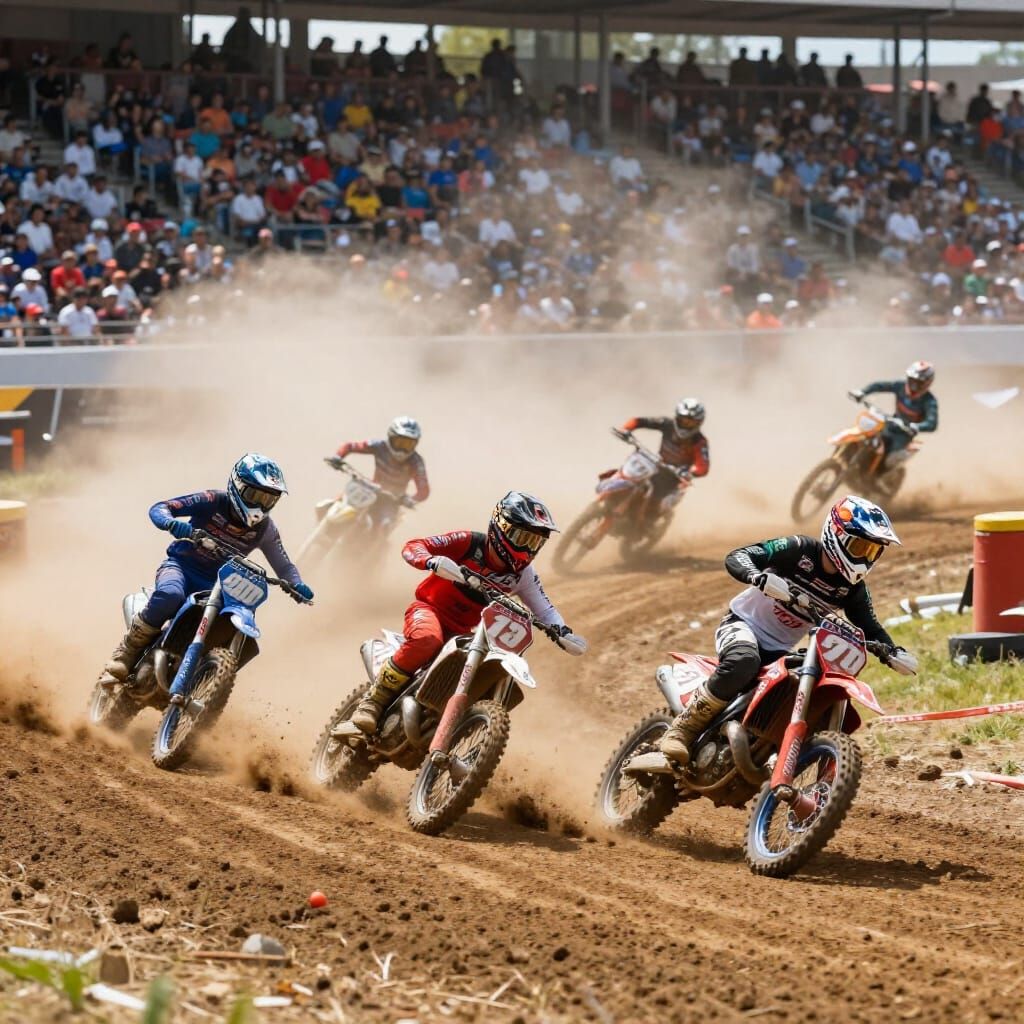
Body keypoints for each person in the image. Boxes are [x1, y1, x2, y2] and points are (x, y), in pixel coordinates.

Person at [660, 496, 906, 763]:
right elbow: (739, 556)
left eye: (872, 552)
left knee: (805, 683)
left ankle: (765, 749)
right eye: (860, 547)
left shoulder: (853, 590)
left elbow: (870, 626)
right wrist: (758, 576)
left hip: (779, 650)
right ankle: (681, 730)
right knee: (744, 660)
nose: (865, 557)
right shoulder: (799, 549)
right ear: (837, 534)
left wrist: (893, 651)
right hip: (743, 625)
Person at [349, 492, 586, 733]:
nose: (527, 548)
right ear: (501, 526)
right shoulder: (469, 543)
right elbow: (414, 546)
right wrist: (430, 561)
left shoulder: (524, 575)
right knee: (426, 641)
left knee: (480, 671)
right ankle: (373, 701)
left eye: (535, 542)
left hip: (464, 631)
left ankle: (456, 729)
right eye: (523, 537)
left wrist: (562, 631)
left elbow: (544, 608)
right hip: (430, 610)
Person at [99, 454, 313, 687]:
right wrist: (172, 523)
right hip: (181, 567)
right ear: (238, 486)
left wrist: (296, 583)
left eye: (269, 500)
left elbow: (283, 564)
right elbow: (162, 507)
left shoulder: (266, 529)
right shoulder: (212, 500)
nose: (261, 506)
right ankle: (127, 651)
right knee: (170, 595)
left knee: (231, 621)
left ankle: (204, 680)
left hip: (221, 585)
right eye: (256, 496)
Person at [618, 400, 710, 524]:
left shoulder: (699, 441)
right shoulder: (667, 424)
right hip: (656, 465)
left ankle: (644, 525)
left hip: (675, 476)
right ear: (677, 417)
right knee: (629, 477)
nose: (686, 424)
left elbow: (703, 465)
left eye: (691, 422)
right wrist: (626, 429)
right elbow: (639, 421)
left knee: (656, 501)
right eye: (683, 420)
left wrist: (691, 472)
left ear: (699, 423)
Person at [333, 416, 429, 530]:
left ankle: (374, 546)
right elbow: (350, 446)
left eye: (408, 444)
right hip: (370, 489)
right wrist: (337, 457)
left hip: (392, 500)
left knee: (384, 525)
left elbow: (424, 490)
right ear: (390, 437)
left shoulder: (416, 462)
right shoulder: (379, 446)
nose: (402, 449)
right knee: (338, 501)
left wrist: (411, 499)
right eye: (399, 442)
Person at [851, 360, 938, 471]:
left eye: (917, 383)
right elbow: (880, 386)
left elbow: (932, 423)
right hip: (890, 424)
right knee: (865, 436)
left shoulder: (929, 401)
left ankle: (877, 479)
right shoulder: (900, 386)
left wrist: (916, 426)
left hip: (904, 434)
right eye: (911, 380)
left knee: (890, 459)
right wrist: (863, 392)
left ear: (926, 383)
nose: (913, 385)